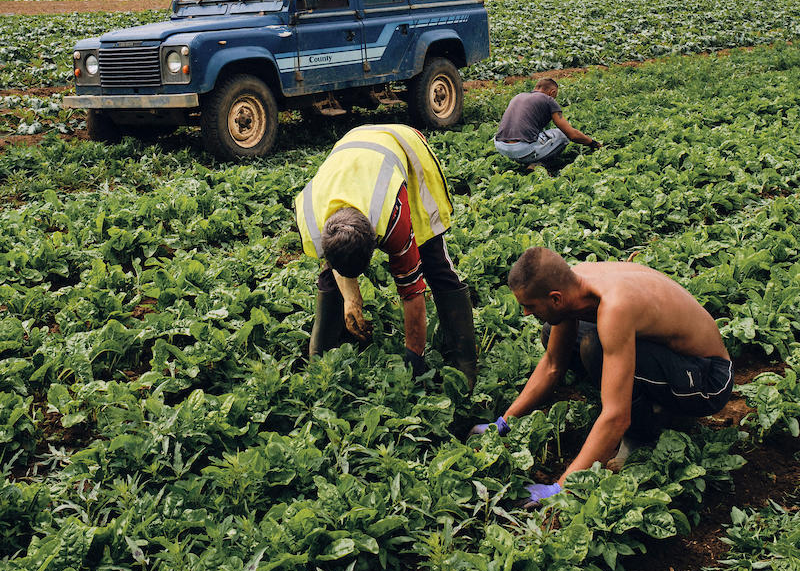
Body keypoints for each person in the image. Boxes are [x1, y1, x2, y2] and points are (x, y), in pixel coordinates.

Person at [472, 247, 733, 504]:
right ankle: (654, 404)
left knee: (595, 348)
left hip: (708, 377)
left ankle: (643, 433)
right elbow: (553, 364)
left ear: (555, 298)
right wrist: (503, 424)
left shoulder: (615, 307)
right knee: (553, 333)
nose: (526, 313)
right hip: (669, 356)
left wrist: (561, 488)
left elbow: (616, 416)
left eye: (529, 306)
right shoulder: (573, 284)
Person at [295, 123, 477, 389]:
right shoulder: (311, 216)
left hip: (404, 146)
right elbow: (333, 265)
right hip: (352, 145)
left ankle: (466, 362)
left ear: (376, 241)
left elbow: (412, 292)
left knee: (432, 257)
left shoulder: (392, 219)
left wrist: (414, 363)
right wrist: (350, 297)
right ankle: (319, 360)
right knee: (329, 277)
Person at [493, 78, 601, 171]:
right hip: (522, 149)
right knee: (562, 135)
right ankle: (540, 164)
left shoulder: (518, 96)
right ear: (552, 92)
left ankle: (524, 161)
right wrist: (593, 143)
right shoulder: (548, 100)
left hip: (501, 147)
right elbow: (571, 134)